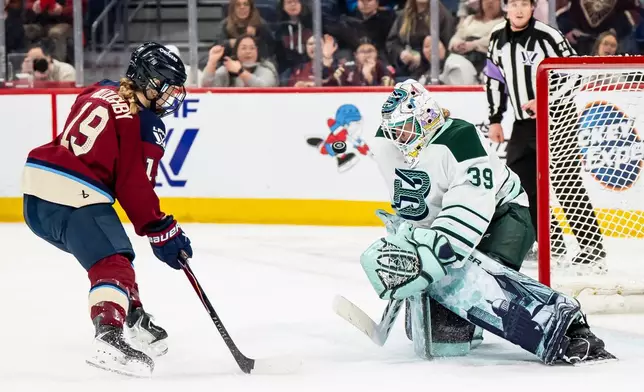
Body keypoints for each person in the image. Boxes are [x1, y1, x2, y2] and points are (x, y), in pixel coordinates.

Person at [362, 78, 613, 364]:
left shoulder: (460, 139)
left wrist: (432, 252)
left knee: (482, 285)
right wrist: (411, 241)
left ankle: (568, 328)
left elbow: (470, 211)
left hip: (505, 217)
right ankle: (470, 322)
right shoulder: (388, 142)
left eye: (405, 127)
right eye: (394, 129)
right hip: (453, 224)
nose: (399, 137)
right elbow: (415, 206)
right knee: (443, 335)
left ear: (426, 116)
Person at [21, 42, 193, 377]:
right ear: (149, 80)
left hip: (36, 191)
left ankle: (135, 315)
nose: (171, 97)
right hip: (73, 192)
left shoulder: (98, 90)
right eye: (167, 87)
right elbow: (135, 184)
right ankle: (109, 336)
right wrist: (161, 230)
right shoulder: (147, 123)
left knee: (111, 253)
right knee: (113, 261)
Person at [485, 0, 605, 265]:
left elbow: (574, 72)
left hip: (558, 116)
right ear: (506, 7)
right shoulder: (496, 37)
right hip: (523, 123)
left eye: (524, 4)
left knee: (565, 181)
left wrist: (545, 99)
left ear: (533, 7)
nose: (518, 9)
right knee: (522, 186)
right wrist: (495, 119)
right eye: (513, 4)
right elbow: (494, 79)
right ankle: (551, 244)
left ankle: (592, 248)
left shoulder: (547, 36)